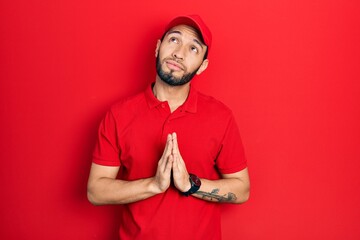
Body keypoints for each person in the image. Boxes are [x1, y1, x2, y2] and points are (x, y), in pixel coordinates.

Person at [87, 15, 250, 240]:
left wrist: (190, 185)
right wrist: (154, 185)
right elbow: (95, 191)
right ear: (158, 47)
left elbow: (242, 190)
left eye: (193, 48)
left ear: (202, 66)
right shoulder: (119, 114)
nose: (179, 53)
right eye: (174, 40)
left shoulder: (221, 117)